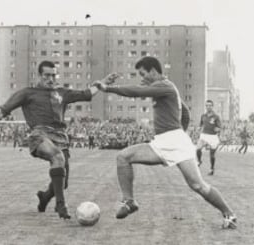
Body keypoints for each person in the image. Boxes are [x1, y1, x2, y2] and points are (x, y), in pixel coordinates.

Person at [94, 56, 237, 229]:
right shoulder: (165, 88)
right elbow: (185, 113)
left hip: (176, 143)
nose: (142, 78)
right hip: (163, 142)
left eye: (143, 74)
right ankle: (129, 201)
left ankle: (229, 214)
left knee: (197, 185)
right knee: (123, 157)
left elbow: (137, 92)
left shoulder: (164, 86)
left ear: (154, 71)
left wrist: (107, 88)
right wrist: (179, 132)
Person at [0, 60, 107, 220]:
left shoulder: (61, 93)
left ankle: (44, 197)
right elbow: (4, 110)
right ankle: (60, 205)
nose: (50, 79)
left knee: (63, 183)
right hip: (40, 135)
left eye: (53, 75)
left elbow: (85, 94)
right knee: (57, 157)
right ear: (39, 76)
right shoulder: (27, 93)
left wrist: (100, 85)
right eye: (47, 75)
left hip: (60, 137)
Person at [196, 100, 221, 175]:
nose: (208, 107)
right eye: (207, 105)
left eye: (210, 105)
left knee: (212, 154)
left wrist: (217, 129)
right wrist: (199, 127)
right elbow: (200, 124)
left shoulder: (216, 116)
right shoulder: (203, 116)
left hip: (213, 136)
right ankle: (199, 161)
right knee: (198, 149)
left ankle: (211, 169)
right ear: (205, 106)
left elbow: (219, 126)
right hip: (204, 135)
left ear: (212, 106)